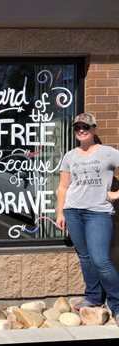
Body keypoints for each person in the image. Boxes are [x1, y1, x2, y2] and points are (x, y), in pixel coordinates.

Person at [56, 112, 119, 327]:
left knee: (101, 260)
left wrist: (117, 194)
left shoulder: (108, 153)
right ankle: (93, 297)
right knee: (85, 257)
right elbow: (63, 186)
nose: (81, 130)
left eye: (86, 126)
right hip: (73, 211)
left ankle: (117, 305)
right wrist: (60, 212)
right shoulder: (70, 156)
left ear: (94, 129)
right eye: (77, 127)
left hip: (98, 213)